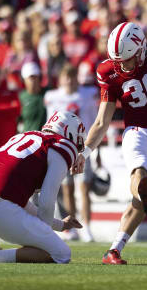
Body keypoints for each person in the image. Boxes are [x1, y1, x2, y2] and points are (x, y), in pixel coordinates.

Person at [72, 21, 147, 264]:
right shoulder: (108, 71)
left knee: (139, 204)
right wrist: (84, 153)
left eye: (128, 59)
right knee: (141, 174)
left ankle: (114, 250)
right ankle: (144, 190)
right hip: (137, 130)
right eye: (118, 59)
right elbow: (102, 121)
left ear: (141, 49)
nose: (122, 65)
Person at [0, 111, 85, 263]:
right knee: (61, 254)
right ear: (70, 134)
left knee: (43, 243)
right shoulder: (63, 145)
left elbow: (20, 203)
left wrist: (60, 224)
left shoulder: (23, 136)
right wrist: (44, 234)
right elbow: (46, 201)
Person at [44, 63, 99, 242]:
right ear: (60, 79)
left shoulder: (88, 94)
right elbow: (49, 124)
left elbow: (94, 119)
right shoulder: (53, 96)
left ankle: (88, 226)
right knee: (67, 188)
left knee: (84, 187)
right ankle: (71, 227)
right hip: (62, 147)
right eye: (65, 76)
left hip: (82, 147)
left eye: (72, 76)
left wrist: (94, 148)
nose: (69, 80)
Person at [18, 62, 46, 132]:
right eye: (30, 78)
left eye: (35, 77)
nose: (33, 81)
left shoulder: (49, 94)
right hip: (28, 139)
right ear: (24, 80)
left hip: (47, 139)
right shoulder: (21, 97)